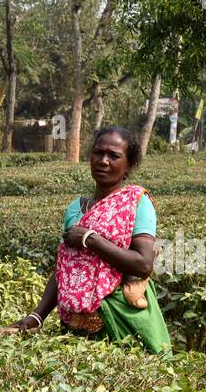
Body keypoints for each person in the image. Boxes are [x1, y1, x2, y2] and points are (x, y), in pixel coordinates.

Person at [11, 125, 171, 353]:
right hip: (75, 323)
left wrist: (90, 238)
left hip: (121, 318)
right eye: (98, 153)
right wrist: (38, 315)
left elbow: (143, 264)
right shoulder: (75, 209)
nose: (104, 161)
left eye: (114, 156)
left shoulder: (137, 203)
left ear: (128, 165)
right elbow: (66, 269)